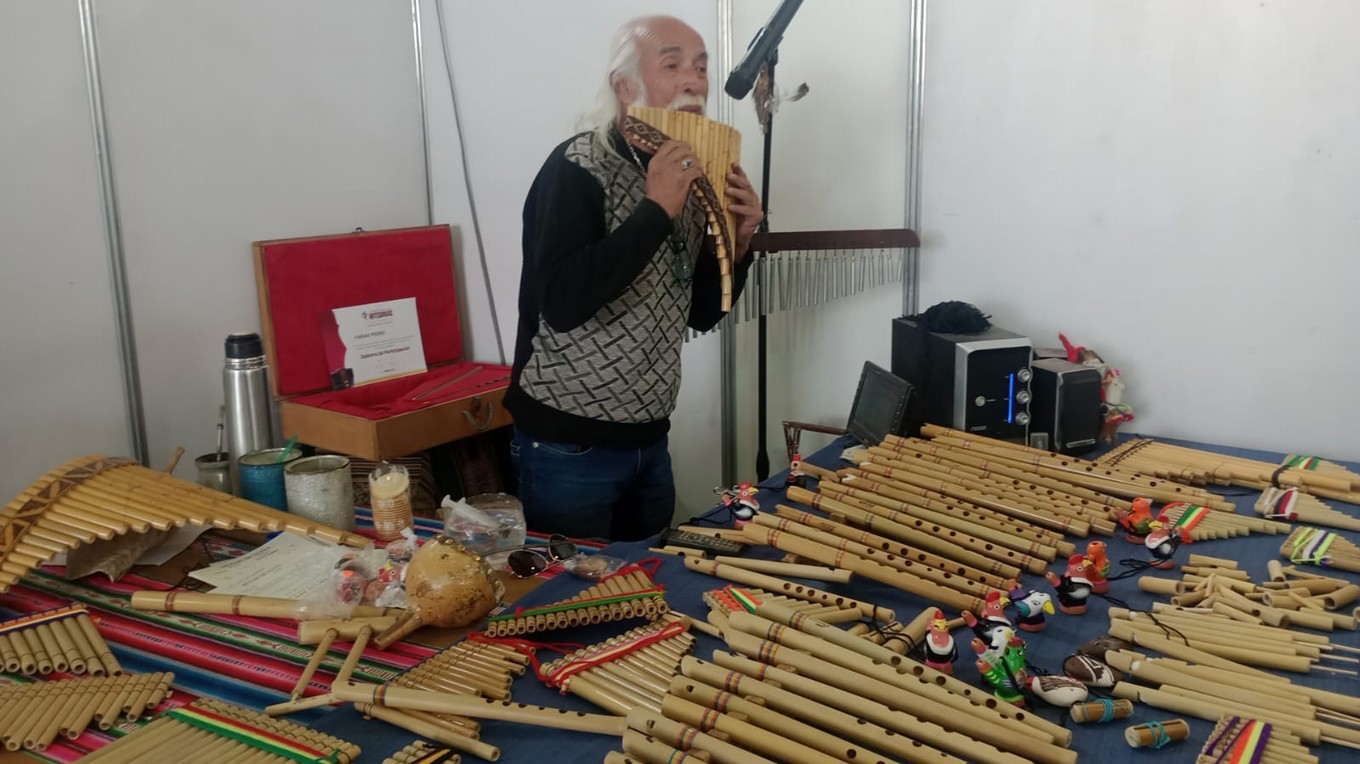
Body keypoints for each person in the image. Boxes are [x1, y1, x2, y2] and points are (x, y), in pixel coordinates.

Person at [504, 15, 763, 541]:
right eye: (672, 66)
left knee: (643, 595)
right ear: (626, 86)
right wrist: (655, 210)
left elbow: (699, 314)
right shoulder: (576, 167)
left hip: (649, 441)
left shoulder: (692, 176)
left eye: (700, 67)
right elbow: (563, 302)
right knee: (569, 605)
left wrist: (737, 246)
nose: (694, 81)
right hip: (567, 445)